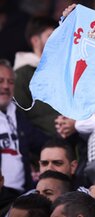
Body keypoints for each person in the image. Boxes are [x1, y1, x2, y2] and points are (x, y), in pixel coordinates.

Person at [0, 59, 49, 194]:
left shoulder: (17, 114)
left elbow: (42, 142)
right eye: (1, 81)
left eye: (10, 82)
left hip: (20, 195)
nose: (6, 86)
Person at [13, 16, 60, 137]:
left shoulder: (63, 70)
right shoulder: (21, 74)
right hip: (42, 148)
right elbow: (20, 118)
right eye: (50, 36)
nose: (57, 40)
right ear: (35, 40)